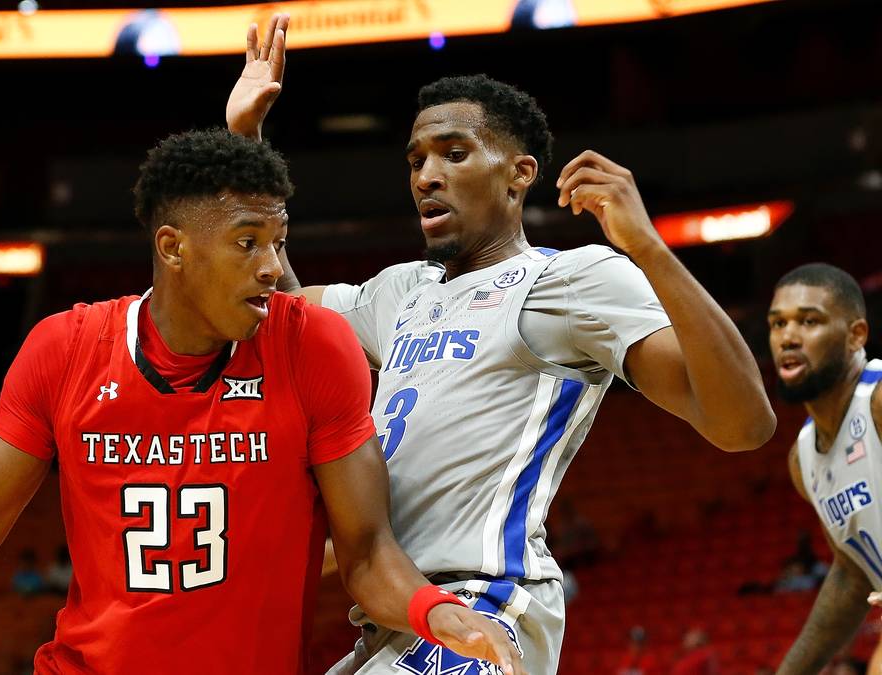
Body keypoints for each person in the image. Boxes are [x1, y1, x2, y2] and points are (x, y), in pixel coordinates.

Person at [0, 129, 523, 675]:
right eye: (248, 242)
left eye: (278, 239)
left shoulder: (316, 347)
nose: (274, 266)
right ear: (173, 246)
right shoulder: (64, 348)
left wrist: (442, 614)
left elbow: (367, 552)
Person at [226, 15, 776, 674]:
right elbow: (288, 317)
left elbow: (744, 423)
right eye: (417, 159)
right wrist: (247, 143)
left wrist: (649, 248)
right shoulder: (402, 291)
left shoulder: (569, 277)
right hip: (399, 613)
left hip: (486, 601)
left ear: (519, 175)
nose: (427, 175)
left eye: (454, 153)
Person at [767, 263, 882, 675]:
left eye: (809, 321)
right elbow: (852, 576)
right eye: (778, 323)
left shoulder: (879, 399)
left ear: (856, 336)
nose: (788, 337)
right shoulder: (803, 460)